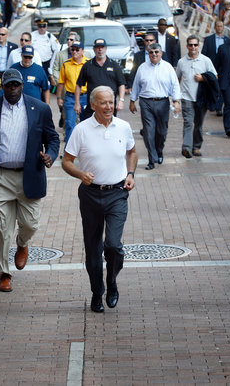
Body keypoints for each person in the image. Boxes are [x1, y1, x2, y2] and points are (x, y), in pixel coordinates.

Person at [0, 69, 59, 292]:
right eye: (8, 86)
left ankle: (22, 243)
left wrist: (50, 154)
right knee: (0, 227)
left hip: (30, 174)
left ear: (22, 85)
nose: (12, 89)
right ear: (2, 87)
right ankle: (4, 273)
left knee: (30, 224)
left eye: (15, 85)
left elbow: (53, 137)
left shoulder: (40, 109)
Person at [62, 86, 137, 313]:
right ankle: (97, 291)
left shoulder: (123, 127)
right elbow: (66, 161)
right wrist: (80, 174)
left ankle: (112, 280)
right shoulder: (81, 130)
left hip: (117, 193)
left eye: (111, 102)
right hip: (91, 195)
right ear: (93, 105)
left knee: (113, 245)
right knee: (93, 249)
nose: (108, 107)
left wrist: (131, 174)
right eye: (103, 103)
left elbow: (132, 152)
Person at [129, 42, 181, 170]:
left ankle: (159, 150)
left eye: (156, 52)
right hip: (146, 102)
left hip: (163, 102)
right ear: (148, 54)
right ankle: (152, 159)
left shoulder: (168, 67)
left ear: (161, 53)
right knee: (148, 132)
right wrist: (132, 100)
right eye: (151, 52)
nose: (154, 54)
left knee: (161, 132)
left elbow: (175, 85)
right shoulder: (142, 67)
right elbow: (136, 85)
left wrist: (176, 101)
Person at [176, 35, 218, 158]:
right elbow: (177, 78)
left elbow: (214, 77)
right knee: (188, 122)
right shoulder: (181, 62)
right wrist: (176, 97)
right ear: (187, 46)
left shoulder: (206, 60)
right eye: (190, 45)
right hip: (186, 98)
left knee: (198, 124)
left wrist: (203, 78)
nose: (193, 47)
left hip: (201, 98)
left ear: (198, 46)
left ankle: (196, 146)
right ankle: (186, 148)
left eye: (195, 44)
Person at [75, 38, 126, 121]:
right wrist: (77, 103)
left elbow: (121, 84)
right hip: (92, 106)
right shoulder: (87, 65)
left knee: (108, 128)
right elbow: (78, 85)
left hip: (109, 107)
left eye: (102, 47)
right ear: (94, 49)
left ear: (106, 48)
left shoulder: (114, 65)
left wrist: (121, 100)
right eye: (97, 47)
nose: (100, 49)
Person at [57, 41, 89, 143]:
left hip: (85, 97)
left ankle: (86, 148)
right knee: (70, 123)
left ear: (82, 51)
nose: (74, 52)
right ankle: (69, 151)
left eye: (77, 50)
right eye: (72, 49)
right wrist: (59, 98)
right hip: (70, 97)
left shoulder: (88, 64)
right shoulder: (66, 64)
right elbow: (61, 82)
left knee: (86, 124)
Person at [202, 20, 230, 117]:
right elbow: (204, 53)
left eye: (221, 26)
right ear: (215, 28)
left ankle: (219, 108)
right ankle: (212, 104)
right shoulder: (208, 39)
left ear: (223, 28)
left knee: (221, 87)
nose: (219, 28)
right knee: (212, 86)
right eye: (218, 26)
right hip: (212, 66)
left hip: (223, 68)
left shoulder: (228, 40)